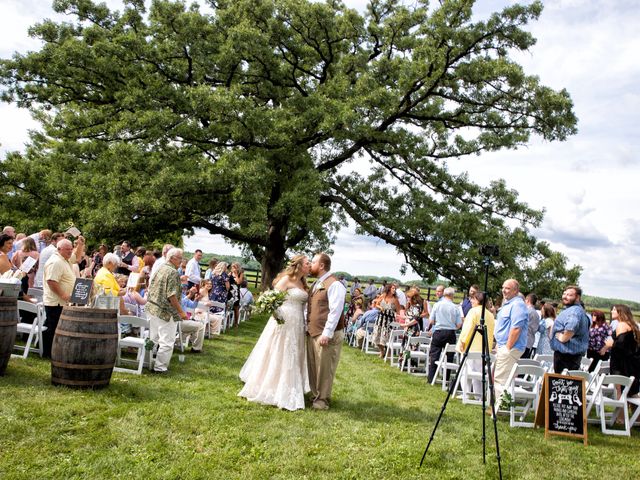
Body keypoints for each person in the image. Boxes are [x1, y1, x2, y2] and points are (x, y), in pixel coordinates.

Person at [238, 254, 311, 410]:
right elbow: (271, 300)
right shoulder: (286, 280)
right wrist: (278, 316)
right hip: (283, 320)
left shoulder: (304, 284)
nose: (309, 265)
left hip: (297, 323)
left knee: (294, 352)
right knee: (280, 351)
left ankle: (292, 385)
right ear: (298, 265)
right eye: (307, 263)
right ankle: (271, 384)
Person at [306, 252, 347, 410]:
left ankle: (322, 400)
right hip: (314, 331)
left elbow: (335, 311)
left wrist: (327, 333)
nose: (310, 264)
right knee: (314, 366)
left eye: (313, 262)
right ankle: (315, 395)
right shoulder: (317, 283)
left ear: (322, 265)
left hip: (326, 334)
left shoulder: (335, 284)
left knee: (325, 369)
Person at [145, 247, 189, 373]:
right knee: (167, 341)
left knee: (152, 338)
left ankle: (146, 361)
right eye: (180, 258)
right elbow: (172, 295)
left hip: (153, 307)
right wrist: (181, 312)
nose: (181, 261)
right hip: (165, 311)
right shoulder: (172, 272)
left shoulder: (160, 268)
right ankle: (160, 367)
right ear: (172, 258)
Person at [492, 279, 529, 410]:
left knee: (501, 379)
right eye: (503, 287)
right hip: (503, 346)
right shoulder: (509, 304)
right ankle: (501, 405)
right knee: (501, 377)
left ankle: (501, 408)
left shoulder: (518, 305)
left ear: (515, 290)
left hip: (510, 348)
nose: (504, 290)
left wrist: (507, 348)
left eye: (507, 288)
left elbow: (516, 328)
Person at [42, 239, 79, 358]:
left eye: (71, 249)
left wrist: (80, 245)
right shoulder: (56, 262)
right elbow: (51, 281)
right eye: (67, 249)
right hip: (56, 302)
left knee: (54, 327)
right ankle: (48, 353)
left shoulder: (64, 259)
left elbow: (76, 257)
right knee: (53, 328)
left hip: (61, 302)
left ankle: (50, 351)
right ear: (59, 249)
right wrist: (63, 295)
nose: (70, 251)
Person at [456, 291, 495, 395]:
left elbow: (468, 328)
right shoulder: (490, 315)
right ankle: (479, 395)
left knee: (465, 372)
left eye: (473, 299)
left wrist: (463, 342)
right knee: (479, 374)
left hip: (471, 346)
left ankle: (466, 393)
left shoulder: (473, 311)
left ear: (478, 300)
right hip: (484, 348)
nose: (471, 301)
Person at [550, 285, 590, 373]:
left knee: (561, 383)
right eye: (564, 294)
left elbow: (572, 326)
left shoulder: (574, 311)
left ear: (577, 297)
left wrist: (563, 338)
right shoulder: (575, 310)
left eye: (569, 295)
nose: (565, 296)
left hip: (566, 357)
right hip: (569, 356)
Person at [602, 305, 640, 397]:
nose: (611, 312)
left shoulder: (622, 325)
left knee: (620, 393)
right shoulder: (632, 325)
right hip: (631, 364)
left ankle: (622, 411)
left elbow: (621, 345)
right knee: (631, 393)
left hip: (621, 365)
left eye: (614, 310)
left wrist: (611, 344)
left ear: (620, 312)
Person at [427, 287, 463, 383]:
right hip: (450, 333)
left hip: (439, 331)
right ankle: (446, 378)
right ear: (452, 295)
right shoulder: (455, 307)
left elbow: (431, 320)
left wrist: (437, 322)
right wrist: (453, 327)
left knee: (434, 355)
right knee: (449, 356)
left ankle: (431, 378)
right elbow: (459, 324)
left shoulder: (437, 305)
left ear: (444, 294)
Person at [371, 283, 402, 358]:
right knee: (377, 337)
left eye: (395, 289)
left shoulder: (395, 300)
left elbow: (398, 311)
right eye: (393, 288)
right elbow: (376, 304)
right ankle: (382, 351)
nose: (394, 290)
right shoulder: (383, 296)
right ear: (389, 289)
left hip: (389, 320)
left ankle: (387, 352)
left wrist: (397, 320)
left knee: (386, 338)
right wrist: (380, 307)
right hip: (380, 319)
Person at [523, 293, 540, 358]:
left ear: (527, 300)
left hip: (524, 341)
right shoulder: (535, 313)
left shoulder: (527, 311)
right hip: (530, 340)